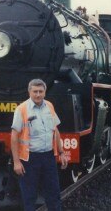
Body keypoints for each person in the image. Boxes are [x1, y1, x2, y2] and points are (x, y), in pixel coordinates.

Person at [11, 79, 69, 211]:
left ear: (45, 92)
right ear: (29, 92)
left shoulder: (49, 106)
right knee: (29, 196)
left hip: (49, 157)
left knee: (53, 193)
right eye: (35, 91)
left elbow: (55, 130)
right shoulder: (21, 109)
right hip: (30, 159)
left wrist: (61, 152)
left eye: (40, 91)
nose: (38, 95)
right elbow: (14, 136)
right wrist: (16, 162)